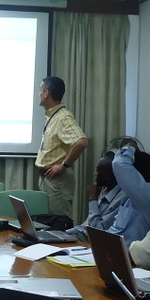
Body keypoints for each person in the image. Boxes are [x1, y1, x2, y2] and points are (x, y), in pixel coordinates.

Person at [35, 76, 88, 218]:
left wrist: (63, 166)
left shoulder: (63, 117)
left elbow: (82, 142)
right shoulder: (52, 116)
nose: (38, 94)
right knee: (48, 221)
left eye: (40, 91)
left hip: (57, 180)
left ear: (46, 93)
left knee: (59, 222)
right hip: (47, 177)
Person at [108, 143, 150, 246]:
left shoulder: (149, 195)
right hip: (109, 246)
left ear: (134, 173)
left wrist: (130, 147)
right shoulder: (134, 196)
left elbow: (119, 164)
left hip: (127, 252)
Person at [67, 151, 128, 240]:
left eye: (98, 171)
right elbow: (85, 226)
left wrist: (93, 199)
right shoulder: (105, 190)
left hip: (91, 240)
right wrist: (65, 233)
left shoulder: (121, 199)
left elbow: (98, 232)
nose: (96, 174)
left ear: (107, 175)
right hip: (81, 234)